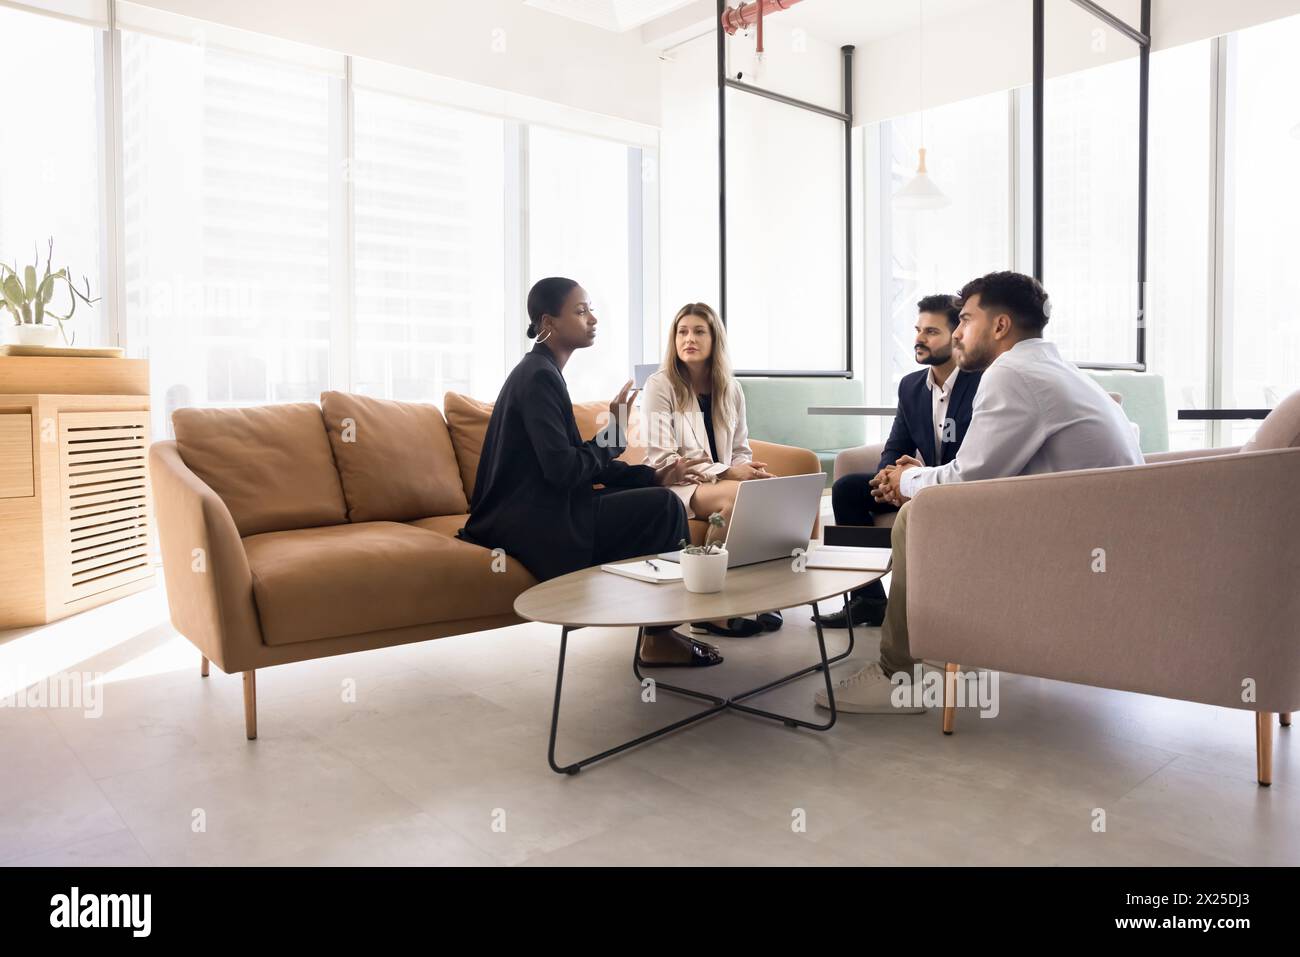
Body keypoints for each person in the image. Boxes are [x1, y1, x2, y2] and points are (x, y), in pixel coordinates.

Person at [816, 271, 1143, 714]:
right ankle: (931, 635)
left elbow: (966, 482)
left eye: (965, 320)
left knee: (922, 514)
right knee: (919, 502)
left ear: (1000, 326)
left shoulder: (1011, 374)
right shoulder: (1059, 370)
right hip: (1105, 537)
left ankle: (898, 676)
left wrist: (908, 481)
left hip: (1076, 549)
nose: (958, 333)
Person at [461, 277, 721, 667]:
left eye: (590, 309)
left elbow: (573, 461)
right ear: (548, 322)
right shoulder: (538, 377)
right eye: (581, 311)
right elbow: (565, 470)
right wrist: (614, 432)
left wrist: (651, 476)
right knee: (664, 509)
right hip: (529, 520)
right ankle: (660, 639)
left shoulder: (543, 371)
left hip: (543, 506)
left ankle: (658, 627)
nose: (593, 319)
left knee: (657, 496)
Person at [813, 294, 982, 630]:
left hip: (957, 488)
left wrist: (914, 478)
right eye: (918, 329)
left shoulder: (981, 384)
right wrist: (887, 481)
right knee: (847, 489)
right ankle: (869, 599)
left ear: (957, 334)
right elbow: (896, 446)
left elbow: (973, 458)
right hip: (916, 485)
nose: (919, 338)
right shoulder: (911, 387)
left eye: (932, 331)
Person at [641, 302, 780, 637]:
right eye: (682, 331)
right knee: (735, 500)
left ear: (715, 338)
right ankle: (708, 612)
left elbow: (740, 448)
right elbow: (664, 457)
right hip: (678, 484)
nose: (689, 338)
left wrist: (747, 470)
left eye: (699, 331)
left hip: (720, 480)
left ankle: (756, 596)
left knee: (771, 492)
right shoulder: (659, 386)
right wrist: (728, 474)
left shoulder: (730, 388)